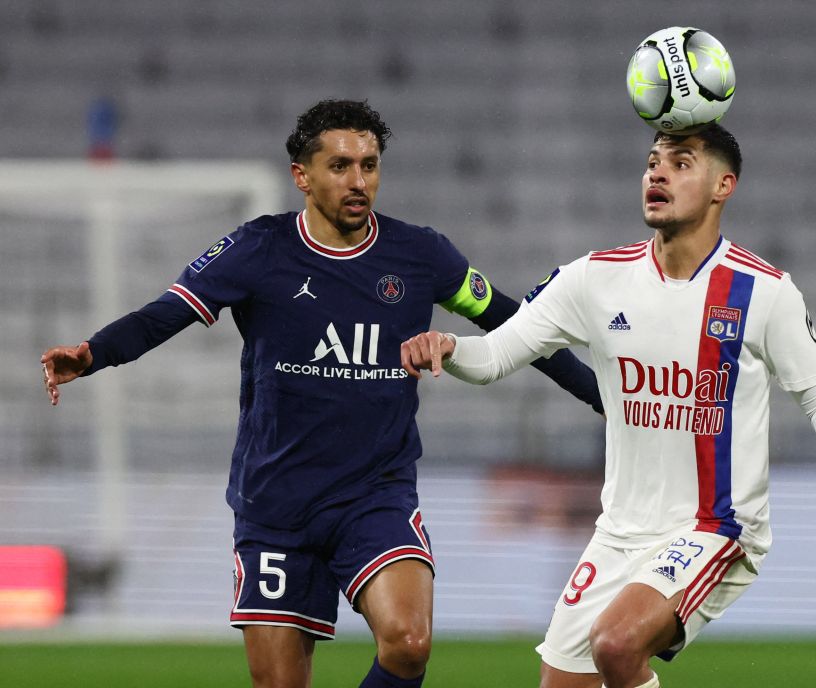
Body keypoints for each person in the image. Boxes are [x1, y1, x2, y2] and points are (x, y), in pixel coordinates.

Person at [40, 99, 603, 688]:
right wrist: (93, 352)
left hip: (375, 496)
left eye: (370, 165)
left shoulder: (421, 256)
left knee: (409, 643)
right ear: (301, 176)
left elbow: (520, 327)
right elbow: (165, 313)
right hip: (276, 506)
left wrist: (601, 397)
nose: (359, 182)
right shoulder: (258, 250)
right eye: (340, 166)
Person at [401, 123, 816, 688]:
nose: (657, 171)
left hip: (715, 527)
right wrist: (450, 349)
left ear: (724, 185)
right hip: (619, 531)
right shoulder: (594, 279)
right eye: (653, 161)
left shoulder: (763, 292)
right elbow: (497, 354)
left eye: (680, 162)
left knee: (617, 644)